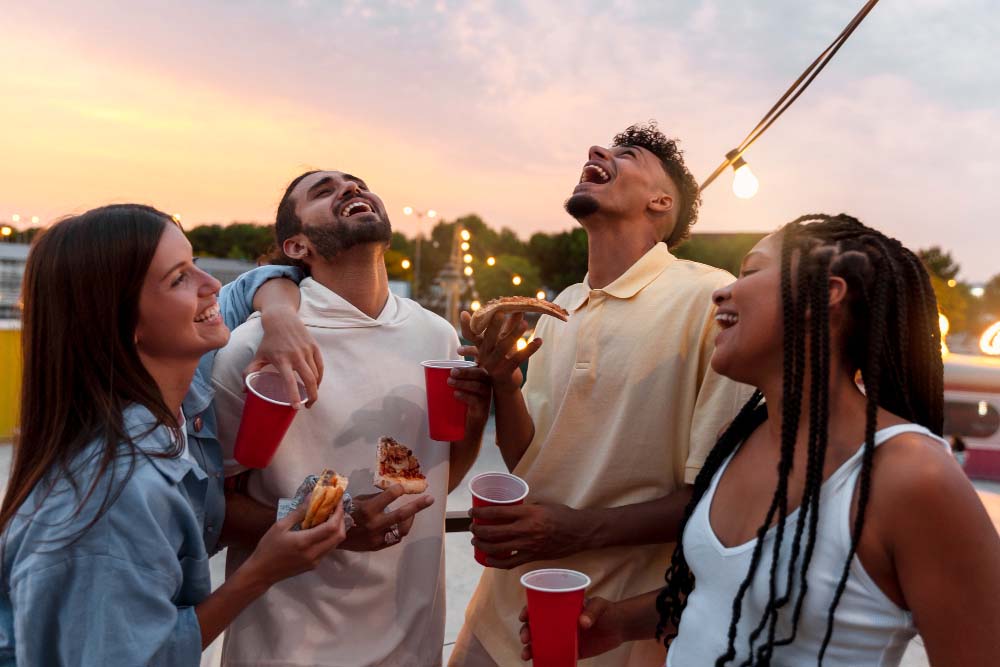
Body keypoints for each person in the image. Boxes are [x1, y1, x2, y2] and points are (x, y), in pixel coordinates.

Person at [519, 215, 1000, 666]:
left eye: (751, 272)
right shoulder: (739, 442)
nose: (723, 292)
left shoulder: (911, 476)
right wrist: (620, 622)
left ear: (822, 296)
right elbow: (725, 592)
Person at [452, 122, 754, 666]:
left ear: (662, 202)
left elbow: (717, 502)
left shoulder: (708, 301)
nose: (595, 152)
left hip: (602, 627)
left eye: (627, 155)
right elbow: (530, 459)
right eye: (602, 149)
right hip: (499, 612)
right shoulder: (559, 306)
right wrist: (502, 384)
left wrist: (575, 531)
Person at [0, 205, 347, 665]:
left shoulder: (176, 403)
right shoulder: (113, 499)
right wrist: (260, 571)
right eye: (179, 278)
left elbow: (252, 285)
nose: (212, 285)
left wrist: (281, 317)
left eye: (196, 264)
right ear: (125, 323)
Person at [211, 170, 493, 666]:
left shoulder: (437, 336)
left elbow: (435, 481)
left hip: (414, 646)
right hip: (288, 651)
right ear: (297, 247)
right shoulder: (255, 349)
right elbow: (214, 512)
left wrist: (478, 414)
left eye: (359, 183)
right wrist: (336, 523)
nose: (351, 189)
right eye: (324, 191)